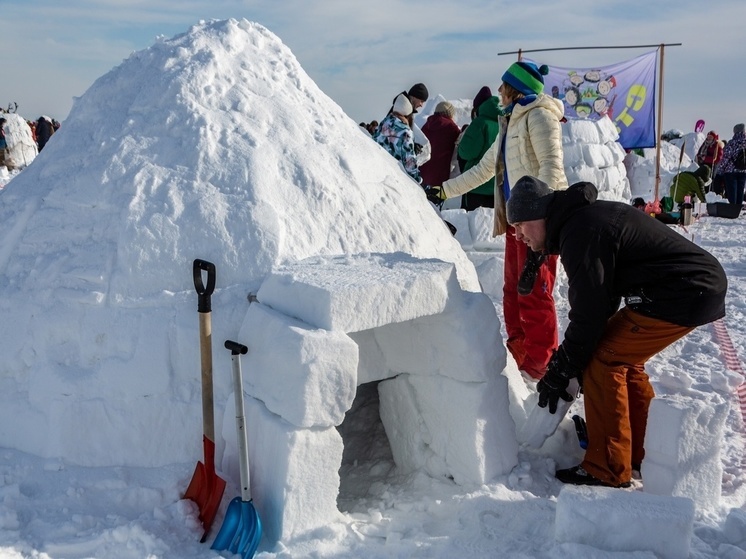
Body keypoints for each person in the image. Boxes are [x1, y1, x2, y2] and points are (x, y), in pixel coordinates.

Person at [505, 176, 727, 488]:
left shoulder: (579, 232)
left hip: (685, 293)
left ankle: (607, 468)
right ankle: (642, 453)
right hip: (687, 289)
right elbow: (602, 304)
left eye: (521, 225)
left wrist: (562, 368)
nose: (517, 235)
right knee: (621, 357)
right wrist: (567, 362)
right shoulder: (578, 222)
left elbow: (589, 315)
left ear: (541, 215)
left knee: (602, 360)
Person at [426, 60, 568, 380]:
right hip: (516, 224)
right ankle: (521, 355)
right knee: (513, 291)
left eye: (503, 86)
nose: (499, 90)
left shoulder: (540, 116)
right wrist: (443, 191)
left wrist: (547, 223)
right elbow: (483, 171)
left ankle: (541, 365)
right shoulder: (508, 122)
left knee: (535, 294)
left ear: (514, 89)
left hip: (539, 225)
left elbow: (552, 169)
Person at [456, 92, 501, 210]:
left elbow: (466, 152)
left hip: (476, 185)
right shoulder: (503, 122)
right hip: (498, 186)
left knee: (471, 224)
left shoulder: (480, 123)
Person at [372, 93, 421, 183]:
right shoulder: (406, 132)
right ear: (407, 113)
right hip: (395, 179)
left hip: (377, 172)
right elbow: (410, 164)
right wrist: (419, 179)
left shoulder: (383, 123)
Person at [419, 101, 461, 188]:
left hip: (422, 174)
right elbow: (457, 152)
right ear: (449, 114)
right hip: (440, 177)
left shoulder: (426, 126)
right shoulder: (452, 129)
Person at [717, 123, 746, 206]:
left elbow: (725, 158)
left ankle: (732, 208)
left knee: (732, 191)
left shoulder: (732, 143)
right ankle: (738, 207)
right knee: (740, 191)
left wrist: (720, 171)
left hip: (731, 171)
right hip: (743, 170)